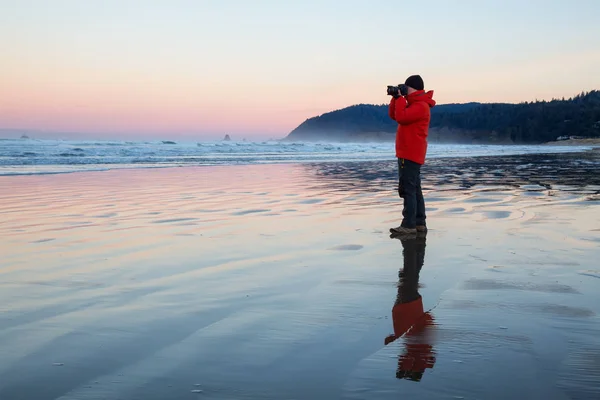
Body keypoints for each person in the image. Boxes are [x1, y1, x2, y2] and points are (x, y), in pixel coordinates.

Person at [388, 75, 436, 235]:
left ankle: (408, 225)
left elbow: (401, 117)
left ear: (413, 88)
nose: (403, 89)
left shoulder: (421, 106)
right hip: (411, 152)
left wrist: (400, 98)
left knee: (408, 188)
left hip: (409, 152)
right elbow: (394, 115)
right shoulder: (415, 104)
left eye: (405, 87)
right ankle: (419, 222)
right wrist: (396, 98)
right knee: (414, 188)